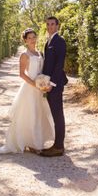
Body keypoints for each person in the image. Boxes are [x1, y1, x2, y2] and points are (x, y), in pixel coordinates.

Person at [0, 28, 54, 154]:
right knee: (29, 115)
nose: (32, 40)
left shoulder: (40, 53)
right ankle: (26, 142)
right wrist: (35, 85)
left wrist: (44, 84)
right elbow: (22, 74)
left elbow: (42, 71)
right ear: (25, 40)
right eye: (29, 38)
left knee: (39, 114)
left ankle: (34, 143)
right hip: (30, 89)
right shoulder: (25, 55)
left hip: (40, 88)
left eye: (33, 37)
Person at [39, 15, 68, 157]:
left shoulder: (59, 41)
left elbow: (59, 65)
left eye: (52, 24)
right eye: (48, 24)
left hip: (55, 85)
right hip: (49, 85)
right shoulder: (48, 41)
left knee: (58, 115)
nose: (50, 26)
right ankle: (57, 145)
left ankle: (58, 147)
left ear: (57, 26)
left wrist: (51, 83)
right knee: (55, 114)